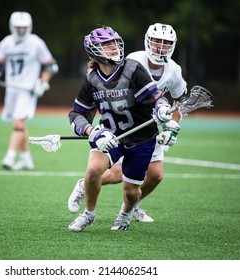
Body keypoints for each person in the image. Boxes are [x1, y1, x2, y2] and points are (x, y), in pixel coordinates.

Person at [68, 23, 187, 222]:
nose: (160, 47)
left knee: (156, 175)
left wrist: (172, 126)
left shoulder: (174, 70)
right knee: (116, 174)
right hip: (125, 125)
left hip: (149, 125)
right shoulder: (131, 61)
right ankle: (86, 185)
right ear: (148, 41)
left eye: (166, 43)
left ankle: (132, 207)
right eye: (157, 41)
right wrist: (94, 131)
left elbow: (179, 100)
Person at [0, 11, 58, 170]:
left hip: (27, 90)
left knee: (19, 122)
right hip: (11, 89)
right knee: (19, 123)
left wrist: (43, 82)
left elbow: (51, 65)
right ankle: (26, 159)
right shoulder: (6, 43)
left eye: (24, 27)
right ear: (12, 27)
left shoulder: (35, 42)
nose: (21, 30)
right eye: (18, 27)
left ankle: (9, 157)